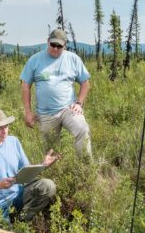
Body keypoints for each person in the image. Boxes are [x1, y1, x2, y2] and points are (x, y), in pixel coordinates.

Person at [0, 109, 58, 225]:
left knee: (47, 186)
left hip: (18, 195)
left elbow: (26, 169)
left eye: (6, 126)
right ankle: (12, 226)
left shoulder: (13, 142)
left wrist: (43, 165)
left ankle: (23, 220)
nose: (4, 131)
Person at [20, 28, 92, 157]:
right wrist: (28, 112)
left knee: (82, 129)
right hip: (46, 113)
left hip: (68, 108)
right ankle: (53, 173)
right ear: (48, 42)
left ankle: (86, 167)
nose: (55, 48)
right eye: (53, 44)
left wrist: (79, 103)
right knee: (50, 150)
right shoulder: (35, 60)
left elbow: (85, 82)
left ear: (65, 45)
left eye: (59, 46)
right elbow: (25, 85)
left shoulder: (73, 59)